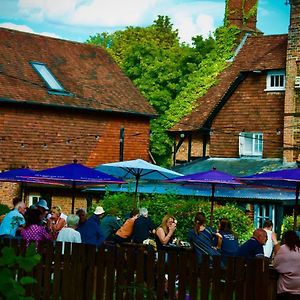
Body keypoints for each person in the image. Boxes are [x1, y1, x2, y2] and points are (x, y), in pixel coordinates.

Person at [273, 230, 300, 299]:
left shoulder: (283, 249)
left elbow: (275, 265)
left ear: (285, 239)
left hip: (285, 288)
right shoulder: (299, 249)